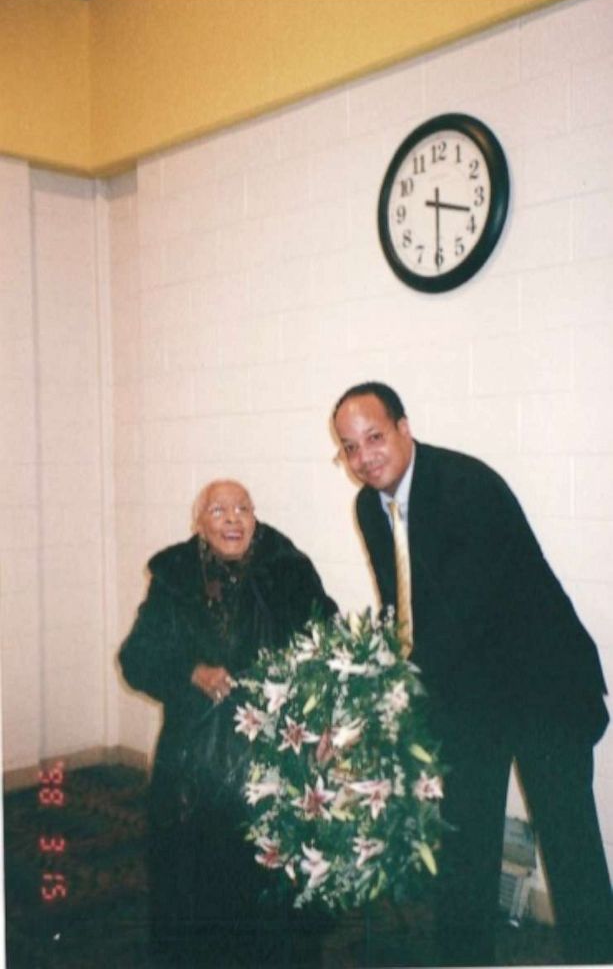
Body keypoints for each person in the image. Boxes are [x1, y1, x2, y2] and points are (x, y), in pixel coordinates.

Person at [332, 381, 612, 967]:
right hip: (468, 692)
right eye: (350, 448)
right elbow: (400, 604)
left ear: (405, 429)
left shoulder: (466, 486)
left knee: (570, 850)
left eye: (374, 438)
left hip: (542, 684)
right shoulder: (369, 505)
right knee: (462, 848)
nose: (364, 459)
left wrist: (401, 693)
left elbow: (464, 612)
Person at [118, 479, 337, 969]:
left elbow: (330, 646)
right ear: (200, 522)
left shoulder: (290, 572)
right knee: (196, 885)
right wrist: (189, 672)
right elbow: (137, 657)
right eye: (219, 510)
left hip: (275, 754)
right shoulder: (173, 576)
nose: (233, 518)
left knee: (271, 890)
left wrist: (324, 718)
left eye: (243, 508)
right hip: (197, 758)